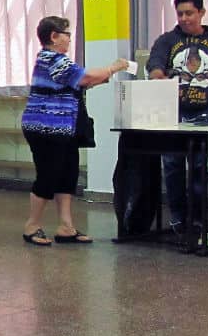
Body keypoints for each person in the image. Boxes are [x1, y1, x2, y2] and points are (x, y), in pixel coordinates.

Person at [21, 16, 128, 246]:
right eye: (67, 33)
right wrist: (113, 67)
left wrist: (100, 78)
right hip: (44, 128)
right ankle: (32, 225)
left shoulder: (61, 62)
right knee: (48, 175)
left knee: (68, 173)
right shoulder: (52, 59)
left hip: (63, 127)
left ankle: (66, 227)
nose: (70, 38)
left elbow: (81, 82)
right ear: (54, 36)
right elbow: (86, 77)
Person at [147, 0, 208, 234]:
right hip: (172, 116)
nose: (184, 18)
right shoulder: (167, 40)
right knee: (173, 166)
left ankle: (197, 218)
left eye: (189, 13)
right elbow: (155, 62)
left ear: (201, 13)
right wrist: (157, 74)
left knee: (198, 168)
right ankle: (177, 218)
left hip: (202, 116)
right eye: (180, 14)